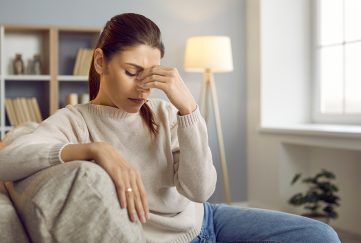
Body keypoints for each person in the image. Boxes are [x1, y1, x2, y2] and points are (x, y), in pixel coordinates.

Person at [0, 13, 340, 243]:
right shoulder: (74, 121)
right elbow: (8, 159)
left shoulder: (163, 112)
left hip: (205, 219)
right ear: (101, 61)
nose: (142, 88)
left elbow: (199, 190)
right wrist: (94, 149)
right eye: (132, 72)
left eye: (151, 75)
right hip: (163, 237)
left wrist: (188, 109)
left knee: (320, 236)